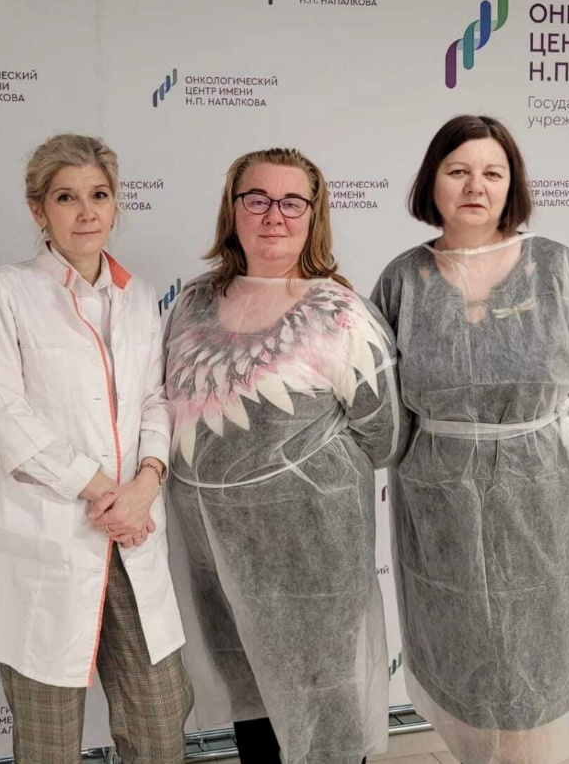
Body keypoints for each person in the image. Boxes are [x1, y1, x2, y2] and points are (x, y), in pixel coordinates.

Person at [371, 115, 569, 764]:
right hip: (439, 512)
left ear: (512, 184)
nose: (474, 186)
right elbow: (383, 406)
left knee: (536, 663)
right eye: (457, 170)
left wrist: (524, 449)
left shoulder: (555, 268)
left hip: (543, 505)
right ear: (431, 181)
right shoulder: (402, 281)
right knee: (465, 659)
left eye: (492, 172)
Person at [163, 148, 403, 764]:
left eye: (292, 202)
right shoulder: (192, 303)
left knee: (324, 716)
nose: (274, 215)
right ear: (233, 210)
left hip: (314, 560)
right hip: (214, 556)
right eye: (257, 199)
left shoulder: (341, 315)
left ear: (314, 215)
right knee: (252, 706)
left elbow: (383, 434)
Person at [0, 134, 193, 764]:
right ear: (38, 210)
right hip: (54, 536)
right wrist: (108, 493)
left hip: (133, 536)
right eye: (66, 197)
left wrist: (148, 481)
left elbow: (156, 398)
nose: (86, 211)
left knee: (161, 723)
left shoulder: (139, 295)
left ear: (116, 204)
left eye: (99, 195)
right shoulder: (5, 291)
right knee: (48, 743)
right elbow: (6, 416)